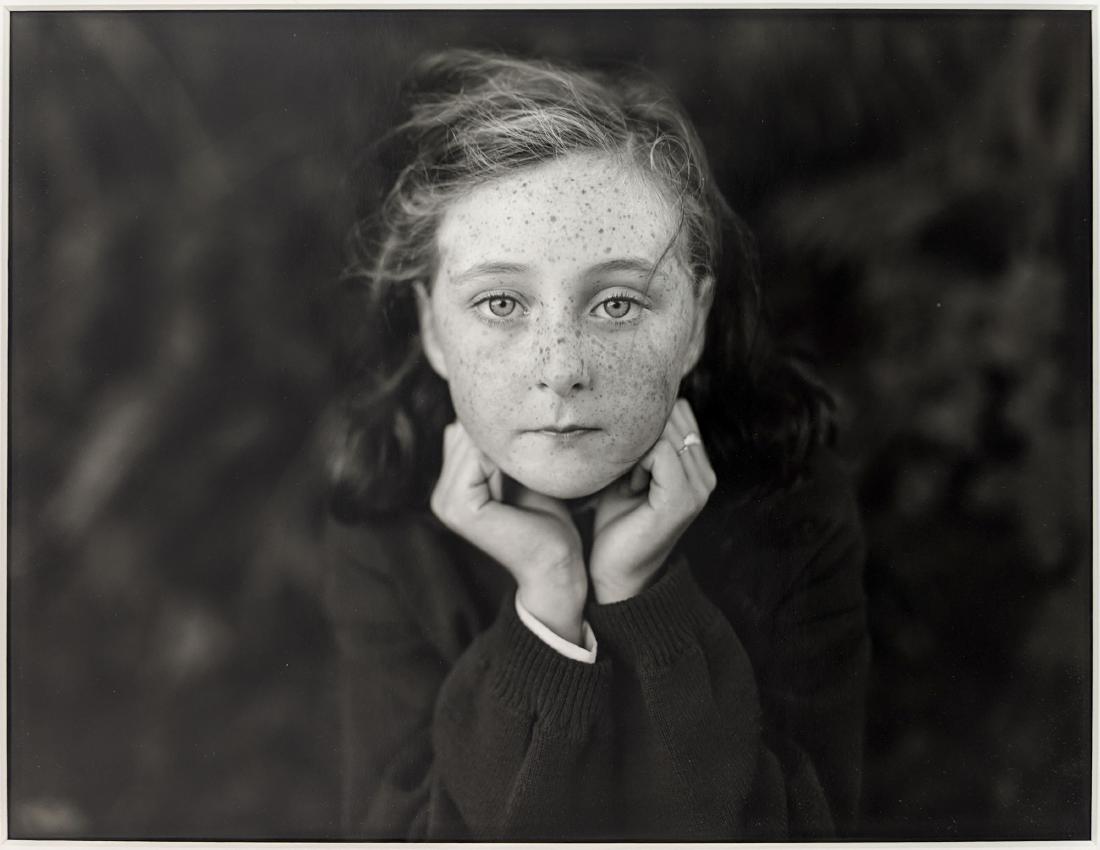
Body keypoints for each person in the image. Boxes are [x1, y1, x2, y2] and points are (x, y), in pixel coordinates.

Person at [322, 49, 869, 841]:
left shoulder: (792, 509)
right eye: (502, 302)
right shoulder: (388, 525)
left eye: (616, 302)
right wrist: (546, 601)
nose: (562, 370)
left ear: (695, 323)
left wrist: (647, 603)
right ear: (434, 329)